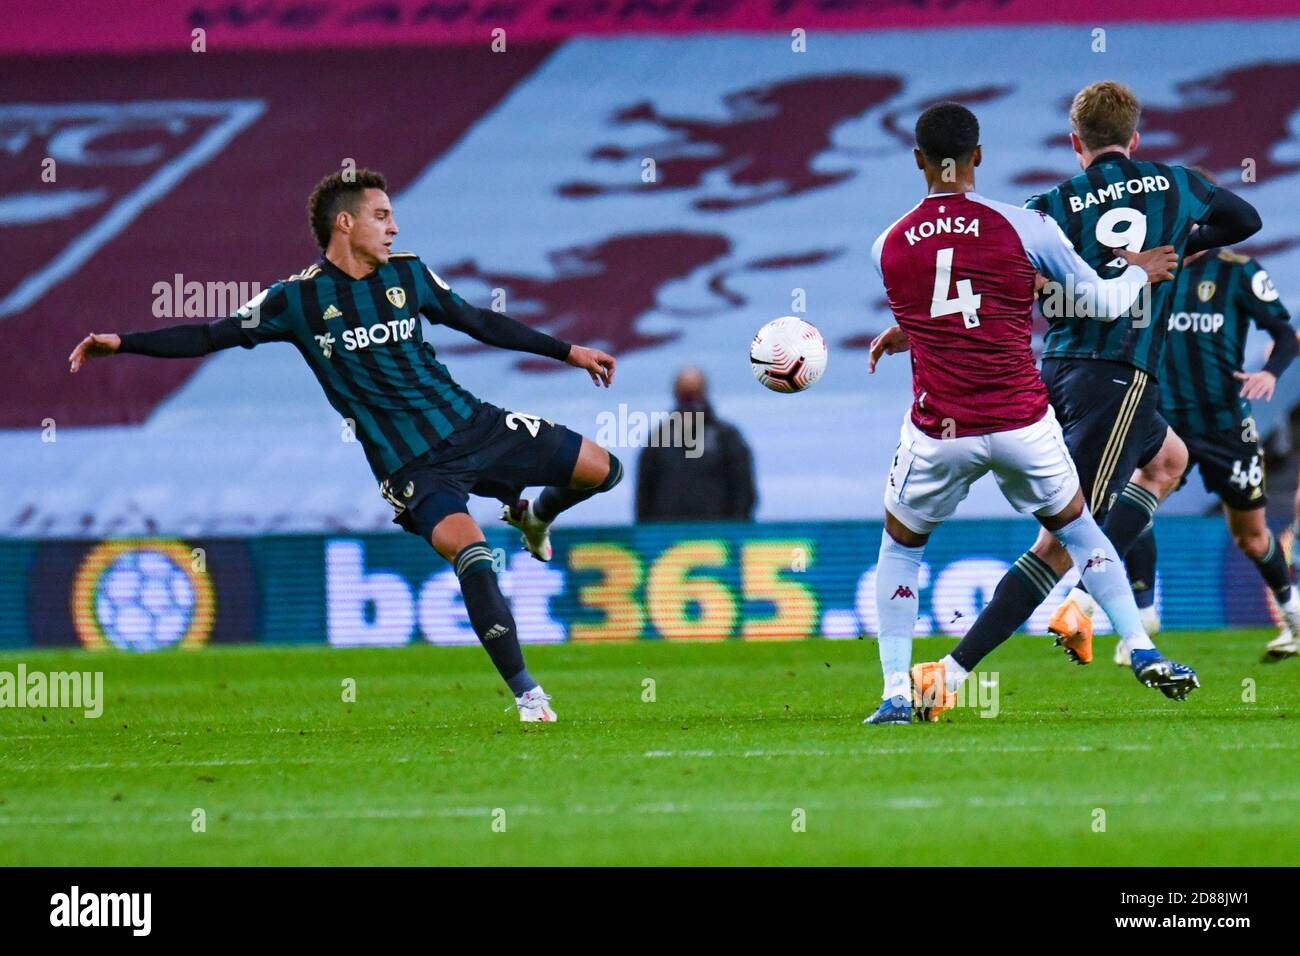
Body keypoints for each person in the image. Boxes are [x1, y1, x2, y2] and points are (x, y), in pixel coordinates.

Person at [68, 169, 622, 723]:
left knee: (606, 469)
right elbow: (212, 335)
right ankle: (528, 695)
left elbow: (478, 321)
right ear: (345, 222)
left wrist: (567, 351)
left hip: (475, 425)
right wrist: (123, 344)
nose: (394, 228)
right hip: (412, 465)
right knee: (473, 554)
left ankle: (537, 517)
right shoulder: (297, 300)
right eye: (382, 217)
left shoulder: (410, 274)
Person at [863, 101, 1182, 725]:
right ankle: (1139, 648)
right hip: (1020, 423)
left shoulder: (888, 244)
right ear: (978, 156)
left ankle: (897, 694)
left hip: (940, 431)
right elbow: (1097, 303)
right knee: (1081, 530)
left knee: (901, 550)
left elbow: (940, 306)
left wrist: (908, 331)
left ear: (918, 161)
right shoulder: (1023, 226)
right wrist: (1138, 272)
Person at [1112, 183, 1298, 664]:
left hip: (1224, 424)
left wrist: (1269, 373)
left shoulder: (1236, 271)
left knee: (1251, 536)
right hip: (1162, 417)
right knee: (1136, 501)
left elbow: (1285, 333)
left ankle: (1293, 615)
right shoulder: (1143, 270)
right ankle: (1143, 615)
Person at [634, 366, 757, 523]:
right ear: (676, 395)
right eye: (685, 396)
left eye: (694, 395)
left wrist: (735, 533)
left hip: (717, 537)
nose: (690, 403)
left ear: (704, 393)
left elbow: (744, 490)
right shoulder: (659, 439)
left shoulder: (727, 437)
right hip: (668, 538)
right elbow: (644, 494)